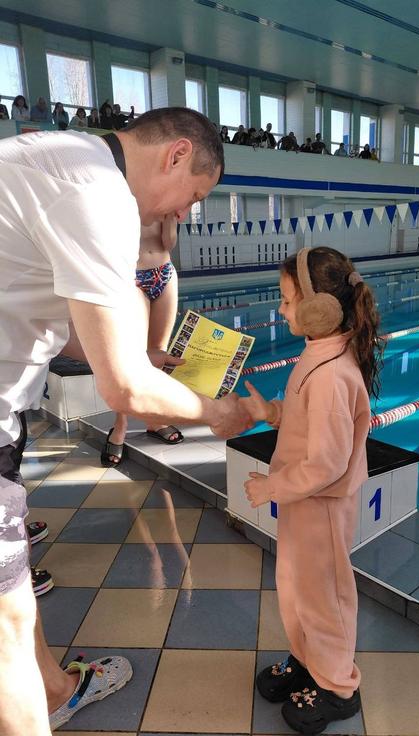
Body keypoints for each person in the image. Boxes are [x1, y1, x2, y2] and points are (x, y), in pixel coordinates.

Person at [0, 106, 252, 734]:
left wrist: (135, 353)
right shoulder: (98, 197)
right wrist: (218, 413)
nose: (184, 213)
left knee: (12, 607)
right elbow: (125, 388)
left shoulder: (59, 155)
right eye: (194, 195)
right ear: (175, 154)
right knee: (6, 627)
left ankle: (55, 688)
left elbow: (56, 327)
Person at [241, 246, 383, 734]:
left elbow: (326, 463)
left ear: (319, 307)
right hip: (305, 501)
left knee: (324, 598)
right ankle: (308, 663)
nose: (281, 310)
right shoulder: (320, 352)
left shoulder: (332, 372)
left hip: (320, 503)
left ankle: (338, 687)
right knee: (297, 588)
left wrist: (272, 486)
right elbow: (309, 426)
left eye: (286, 300)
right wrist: (273, 413)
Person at [102, 214, 183, 466]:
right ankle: (120, 425)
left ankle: (154, 419)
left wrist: (170, 217)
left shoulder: (168, 202)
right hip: (132, 278)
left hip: (164, 273)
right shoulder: (119, 199)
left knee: (158, 353)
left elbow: (168, 243)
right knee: (131, 357)